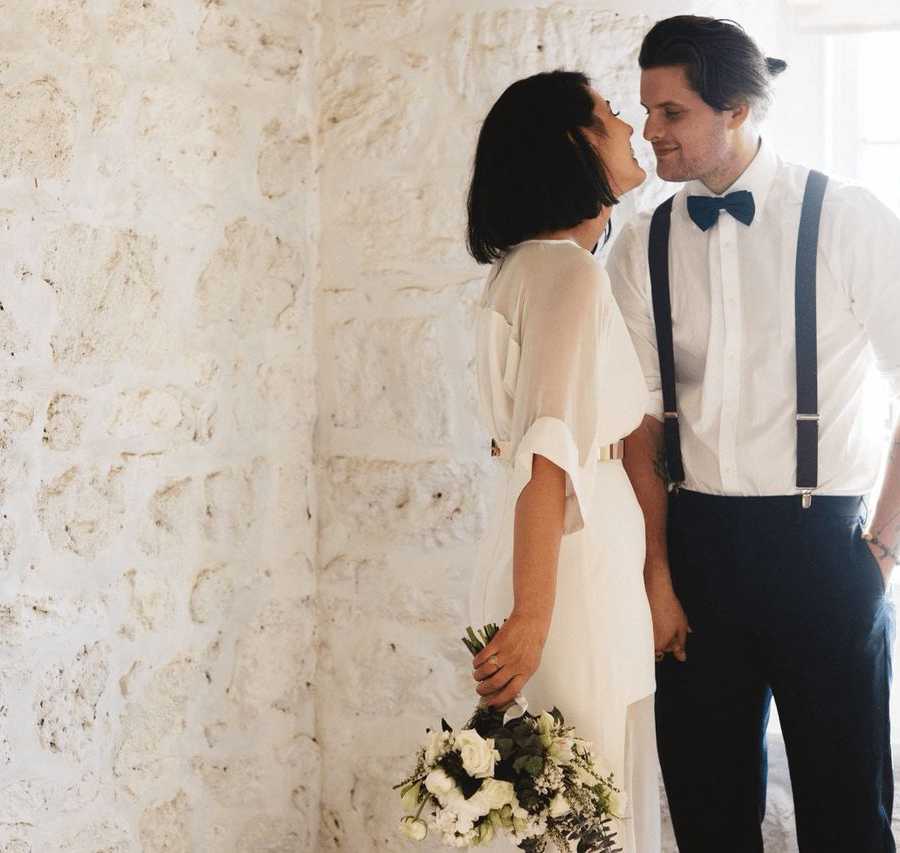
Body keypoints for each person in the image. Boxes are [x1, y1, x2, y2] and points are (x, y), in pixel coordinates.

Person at [608, 15, 900, 852]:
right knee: (707, 817)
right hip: (696, 550)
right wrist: (658, 574)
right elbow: (639, 425)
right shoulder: (644, 242)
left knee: (849, 819)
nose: (651, 132)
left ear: (736, 109)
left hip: (824, 546)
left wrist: (880, 551)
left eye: (672, 112)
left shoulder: (846, 218)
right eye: (646, 111)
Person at [466, 69, 661, 852]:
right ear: (574, 143)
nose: (632, 127)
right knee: (585, 796)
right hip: (571, 560)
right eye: (612, 113)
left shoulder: (525, 266)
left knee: (559, 799)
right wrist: (534, 616)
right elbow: (549, 454)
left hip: (561, 545)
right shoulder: (566, 272)